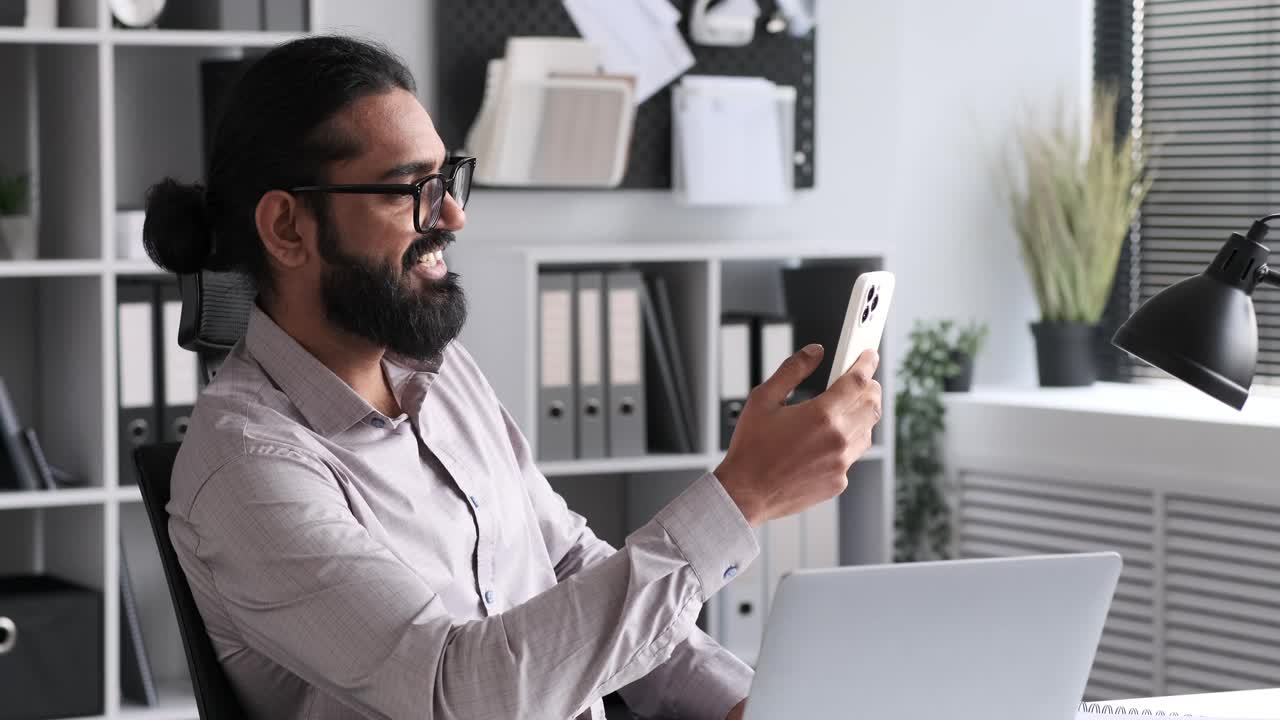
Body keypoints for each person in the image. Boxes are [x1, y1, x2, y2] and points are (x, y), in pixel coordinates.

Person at [142, 35, 882, 720]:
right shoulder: (246, 465)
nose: (453, 216)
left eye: (449, 179)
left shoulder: (438, 372)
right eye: (412, 190)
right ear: (287, 228)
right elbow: (457, 692)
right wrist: (740, 496)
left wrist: (743, 705)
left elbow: (565, 563)